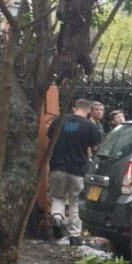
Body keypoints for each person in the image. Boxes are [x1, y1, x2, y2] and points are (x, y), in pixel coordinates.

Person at [48, 98, 102, 244]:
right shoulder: (90, 127)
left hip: (58, 167)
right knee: (75, 201)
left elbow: (49, 139)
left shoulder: (58, 121)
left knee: (57, 197)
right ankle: (74, 235)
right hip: (78, 169)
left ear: (74, 108)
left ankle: (58, 218)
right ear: (89, 111)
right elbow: (96, 148)